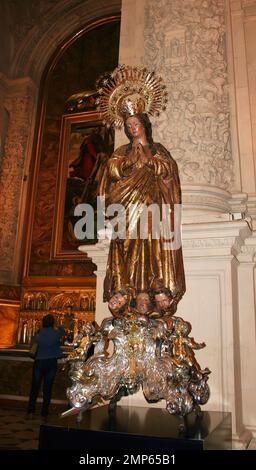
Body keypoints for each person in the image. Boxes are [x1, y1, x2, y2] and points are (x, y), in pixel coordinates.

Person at [97, 65, 185, 307]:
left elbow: (167, 172)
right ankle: (126, 288)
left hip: (151, 208)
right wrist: (129, 161)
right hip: (125, 209)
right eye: (128, 125)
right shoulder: (121, 152)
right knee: (126, 244)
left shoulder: (158, 150)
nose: (132, 127)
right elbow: (112, 172)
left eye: (135, 123)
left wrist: (150, 160)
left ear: (144, 124)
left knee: (152, 244)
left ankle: (152, 286)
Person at [27, 314, 65, 420]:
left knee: (35, 387)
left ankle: (31, 410)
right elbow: (63, 330)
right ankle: (44, 412)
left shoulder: (39, 332)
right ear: (53, 322)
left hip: (39, 362)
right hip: (51, 363)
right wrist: (57, 325)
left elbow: (33, 343)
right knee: (47, 388)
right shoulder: (56, 333)